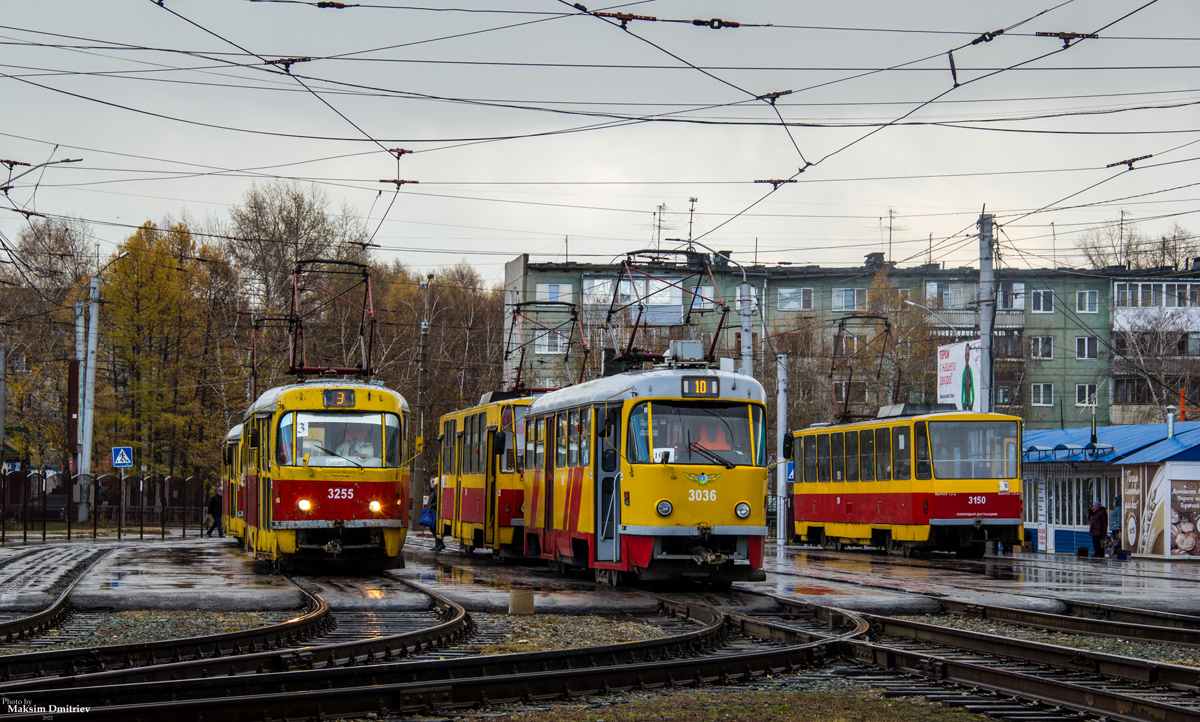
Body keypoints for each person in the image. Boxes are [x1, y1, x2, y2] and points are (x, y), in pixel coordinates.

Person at [427, 482, 446, 551]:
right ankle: (438, 544)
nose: (430, 484)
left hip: (435, 511)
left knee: (434, 528)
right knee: (433, 528)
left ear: (434, 483)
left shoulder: (436, 490)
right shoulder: (434, 490)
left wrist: (432, 506)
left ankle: (440, 544)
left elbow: (438, 501)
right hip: (434, 511)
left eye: (431, 483)